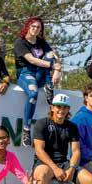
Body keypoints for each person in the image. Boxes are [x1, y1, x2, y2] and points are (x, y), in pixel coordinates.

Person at [13, 16, 62, 146]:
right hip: (26, 73)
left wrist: (57, 71)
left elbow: (54, 55)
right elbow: (31, 60)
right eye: (33, 26)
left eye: (38, 27)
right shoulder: (20, 42)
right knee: (33, 94)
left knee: (50, 55)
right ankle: (26, 129)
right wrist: (52, 66)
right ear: (28, 27)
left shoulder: (41, 42)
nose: (35, 29)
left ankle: (48, 86)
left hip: (40, 74)